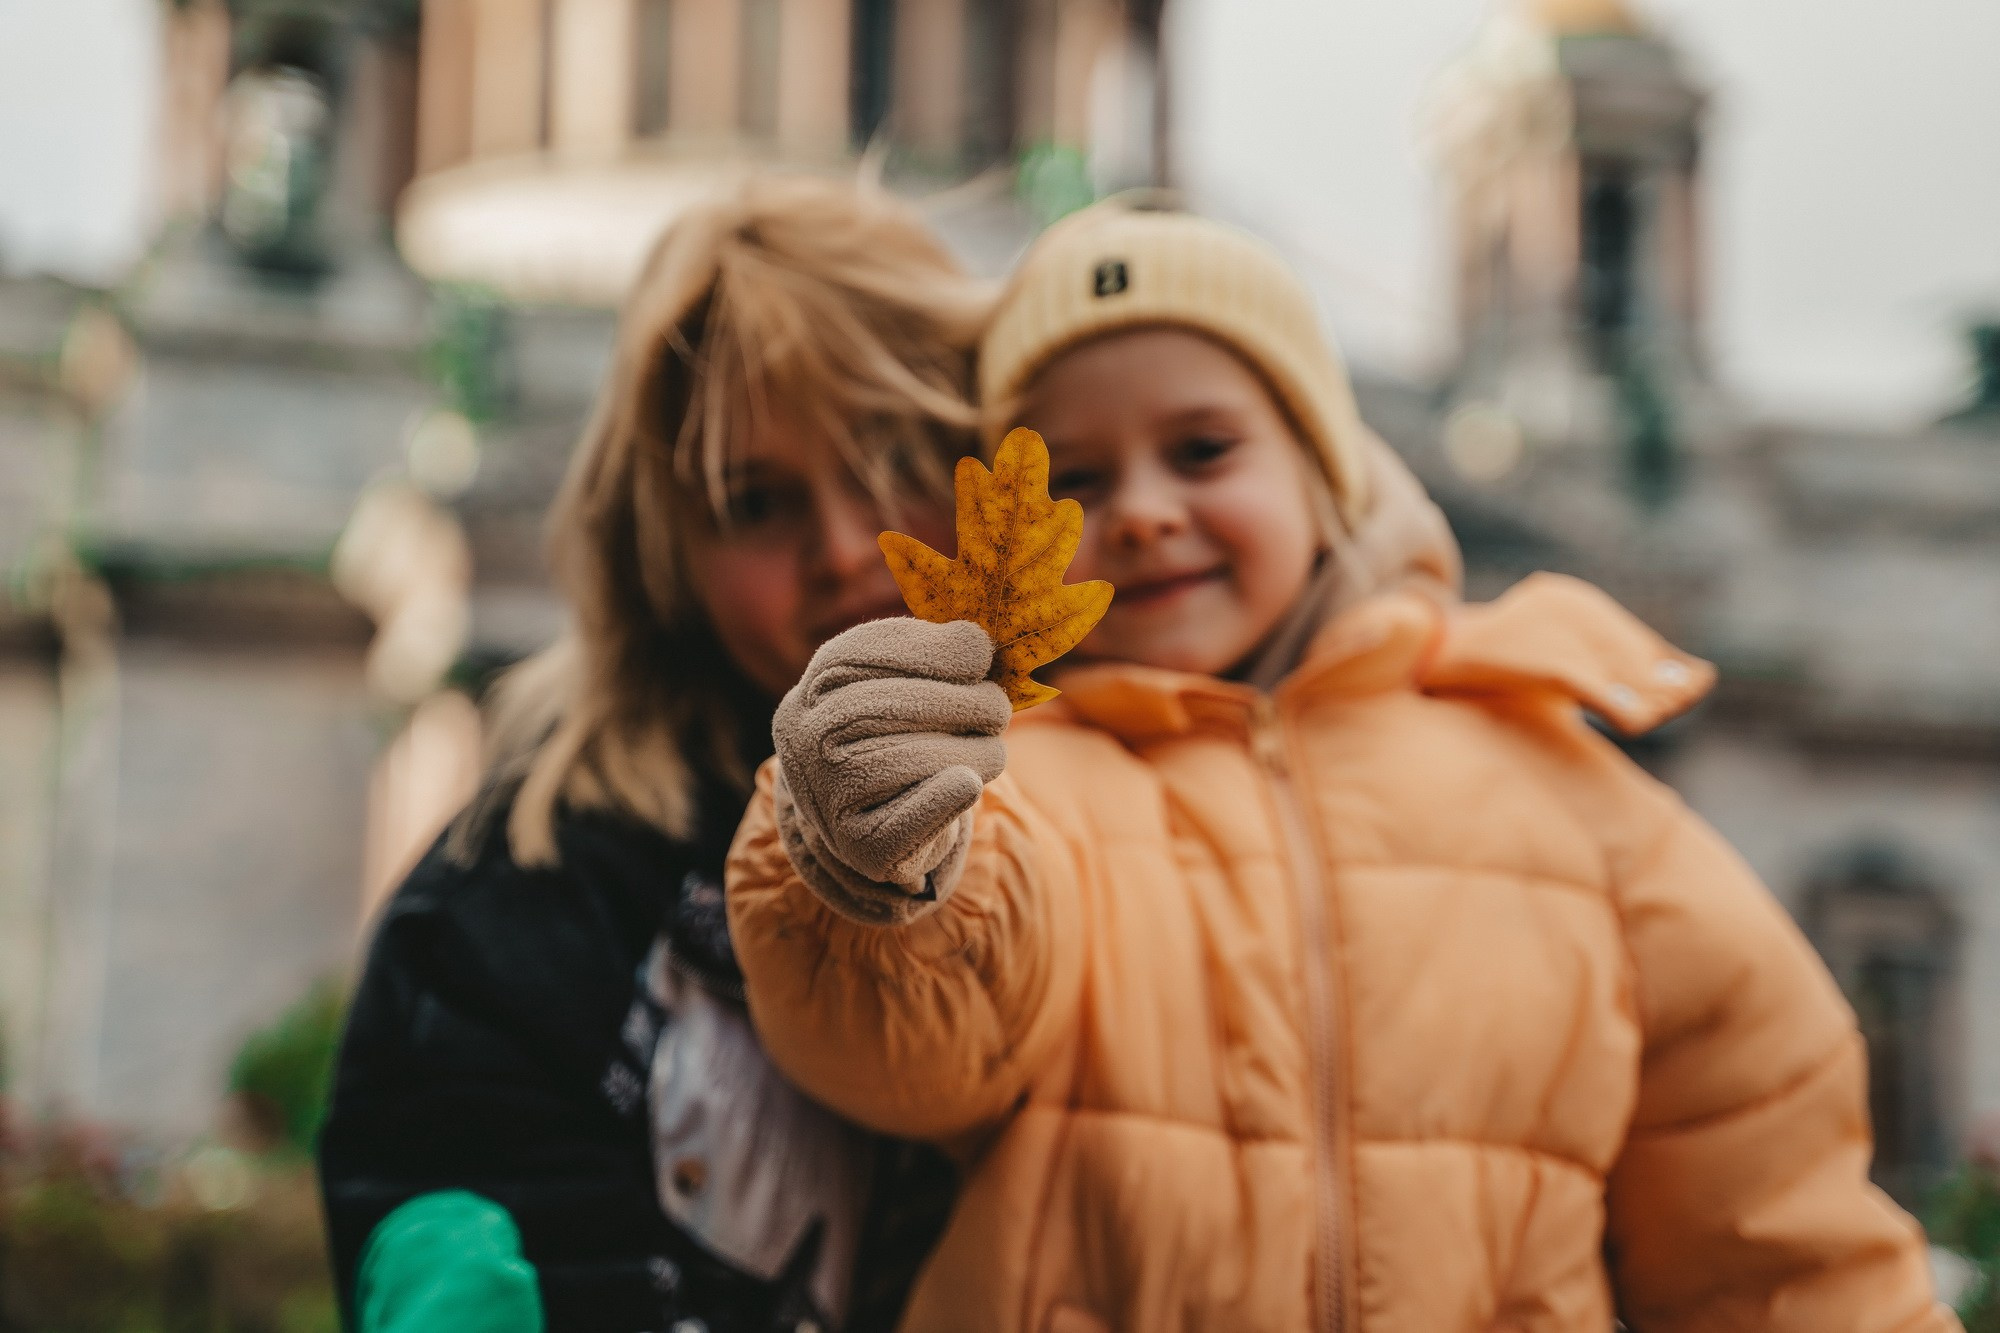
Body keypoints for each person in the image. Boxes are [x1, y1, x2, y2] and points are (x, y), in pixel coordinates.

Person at [725, 200, 1959, 1330]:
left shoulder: (1568, 791)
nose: (1144, 510)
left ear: (1326, 478)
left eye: (1203, 449)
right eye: (1076, 478)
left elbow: (1774, 1225)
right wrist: (866, 860)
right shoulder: (1015, 782)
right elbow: (908, 1048)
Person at [318, 174, 988, 1333]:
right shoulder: (525, 889)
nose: (844, 548)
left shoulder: (1118, 810)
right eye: (754, 502)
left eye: (892, 457)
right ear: (662, 547)